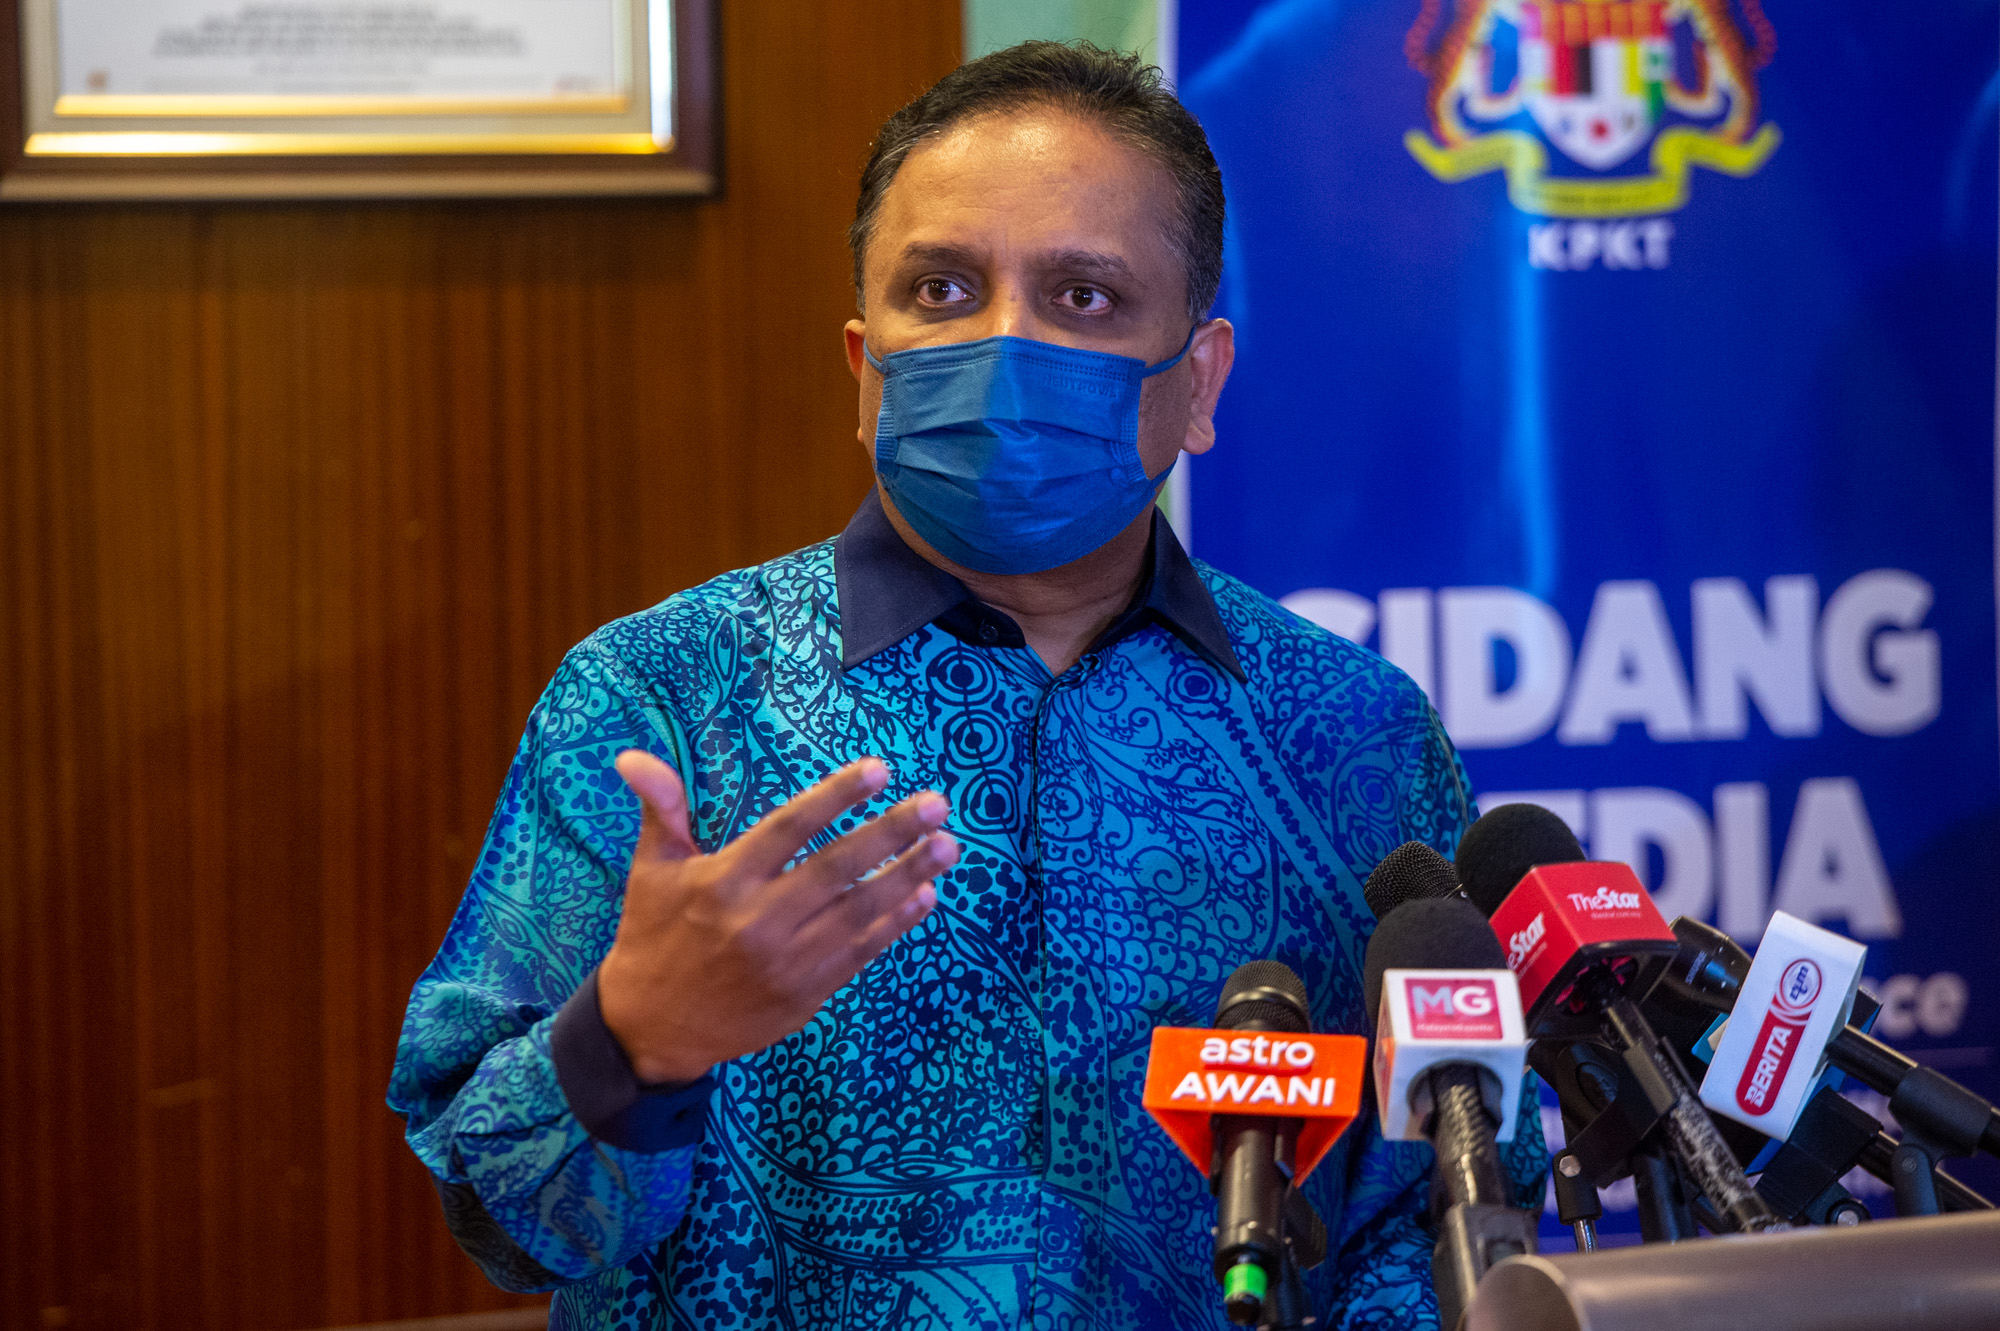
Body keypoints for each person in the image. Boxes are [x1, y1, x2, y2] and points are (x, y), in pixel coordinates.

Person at [389, 41, 1546, 1331]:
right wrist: (632, 1042)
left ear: (1200, 380)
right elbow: (503, 1224)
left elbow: (1440, 1206)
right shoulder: (656, 702)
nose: (1003, 346)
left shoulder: (1353, 734)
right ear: (864, 365)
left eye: (1084, 296)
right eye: (942, 289)